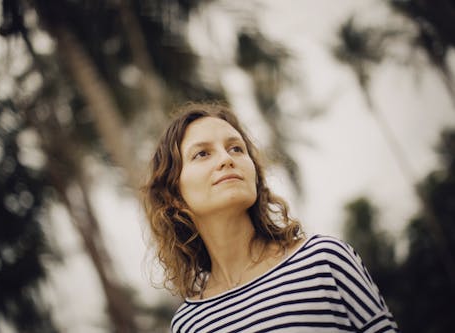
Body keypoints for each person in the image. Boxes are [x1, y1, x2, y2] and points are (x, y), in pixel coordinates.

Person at [142, 101, 399, 332]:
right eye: (202, 153)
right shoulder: (190, 324)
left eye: (236, 148)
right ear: (175, 197)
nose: (226, 159)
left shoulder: (324, 259)